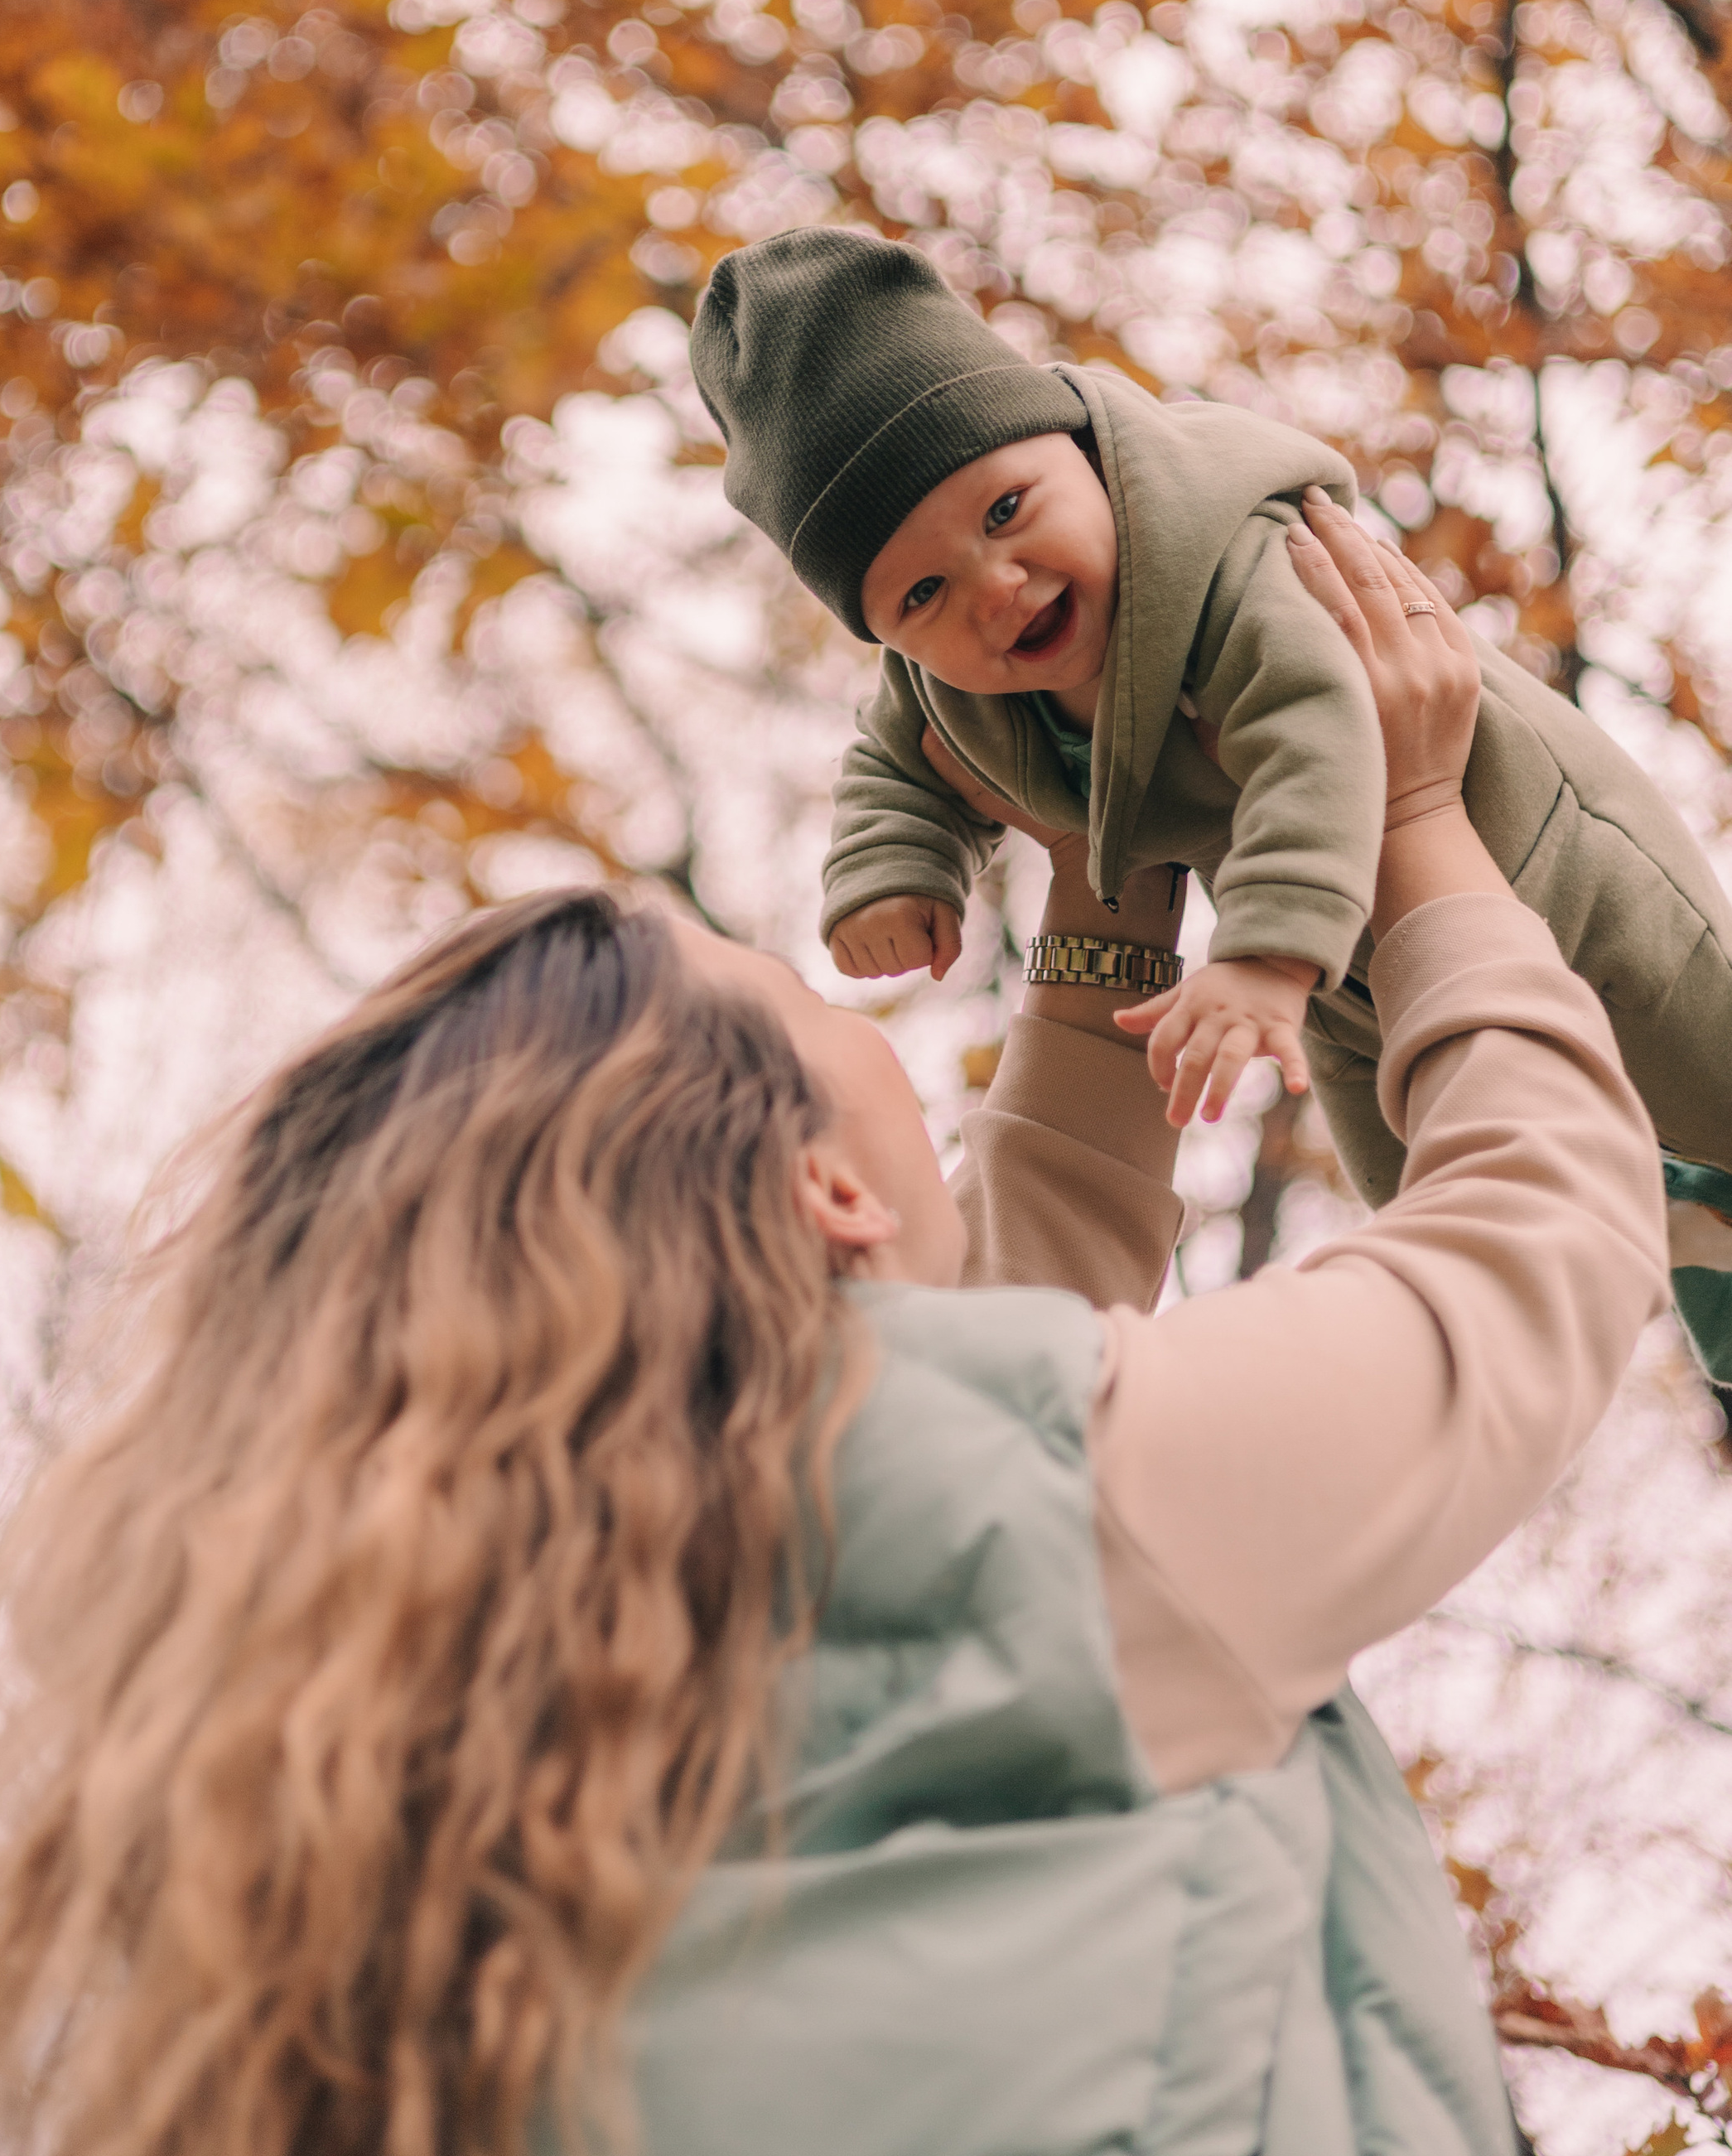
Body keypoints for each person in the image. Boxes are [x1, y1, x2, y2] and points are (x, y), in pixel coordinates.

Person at [0, 497, 1673, 2156]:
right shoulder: (1034, 1511)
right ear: (819, 1186)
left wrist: (1106, 876)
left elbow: (985, 1341)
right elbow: (1540, 1238)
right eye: (804, 1003)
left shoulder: (486, 1716)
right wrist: (1428, 830)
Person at [689, 223, 1732, 1372]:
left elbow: (1317, 728)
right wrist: (892, 867)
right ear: (888, 634)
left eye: (1005, 511)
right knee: (1437, 1207)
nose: (997, 587)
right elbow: (893, 765)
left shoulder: (1228, 563)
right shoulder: (943, 691)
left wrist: (1262, 957)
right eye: (924, 593)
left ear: (1076, 445)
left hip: (1532, 866)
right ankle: (1669, 1274)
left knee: (1710, 1072)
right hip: (1342, 982)